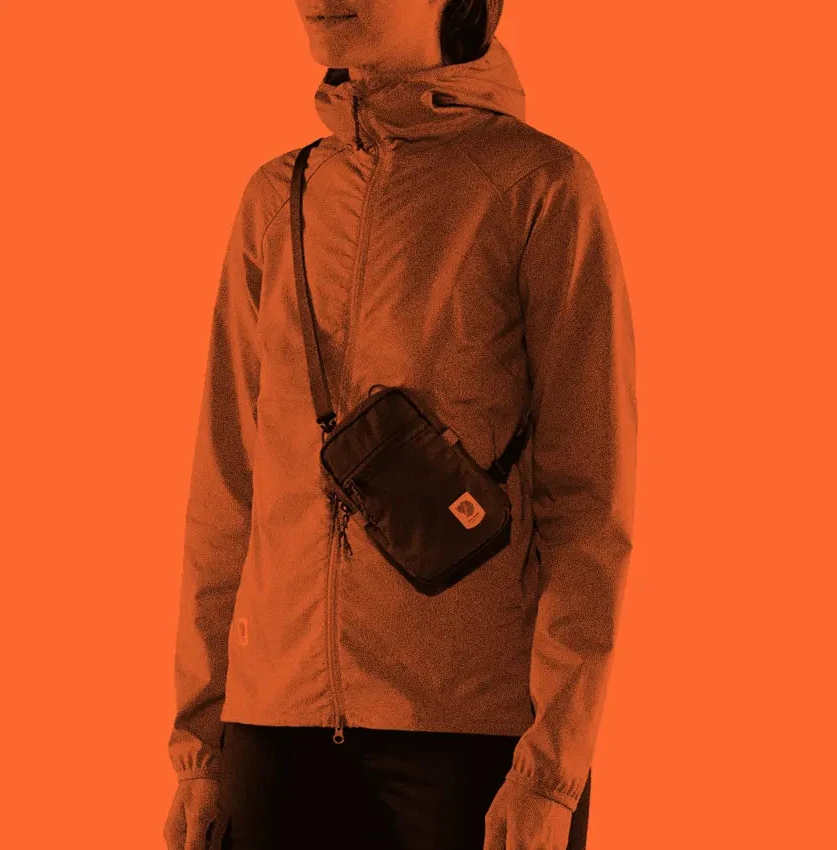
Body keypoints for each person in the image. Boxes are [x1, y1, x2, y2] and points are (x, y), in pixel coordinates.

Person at [162, 1, 637, 848]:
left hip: (471, 737)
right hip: (272, 730)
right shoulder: (278, 196)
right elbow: (226, 485)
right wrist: (201, 748)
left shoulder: (539, 187)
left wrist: (551, 770)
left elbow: (589, 504)